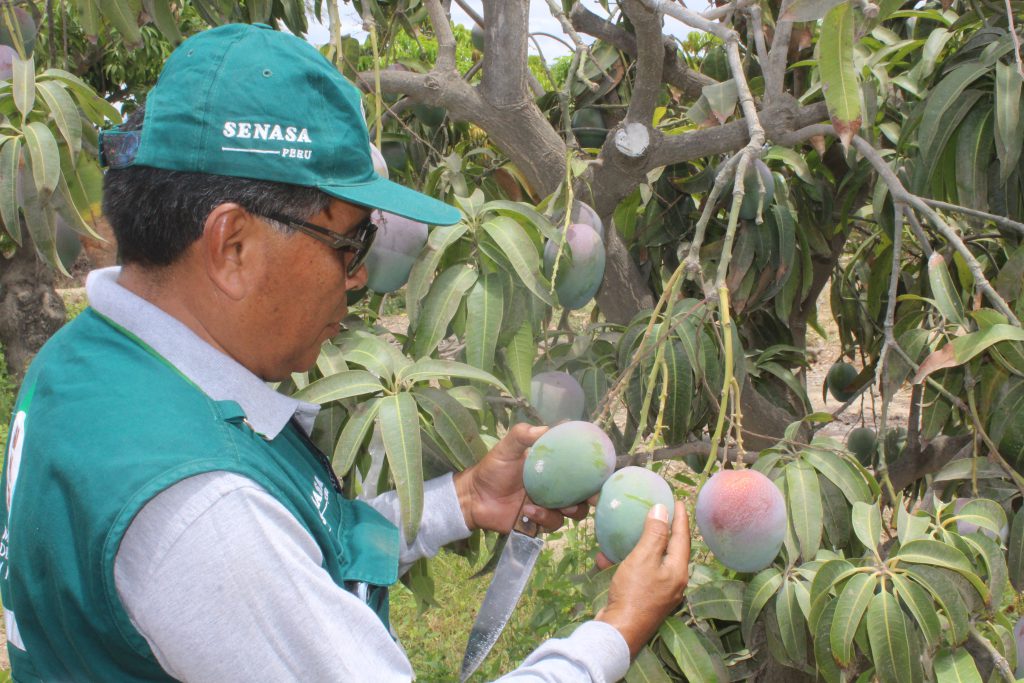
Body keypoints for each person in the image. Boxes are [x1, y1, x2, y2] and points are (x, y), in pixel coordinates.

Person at [0, 23, 689, 682]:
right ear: (231, 247)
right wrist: (616, 631)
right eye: (349, 242)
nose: (360, 275)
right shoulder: (203, 511)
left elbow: (291, 553)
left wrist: (466, 498)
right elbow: (238, 547)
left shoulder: (85, 360)